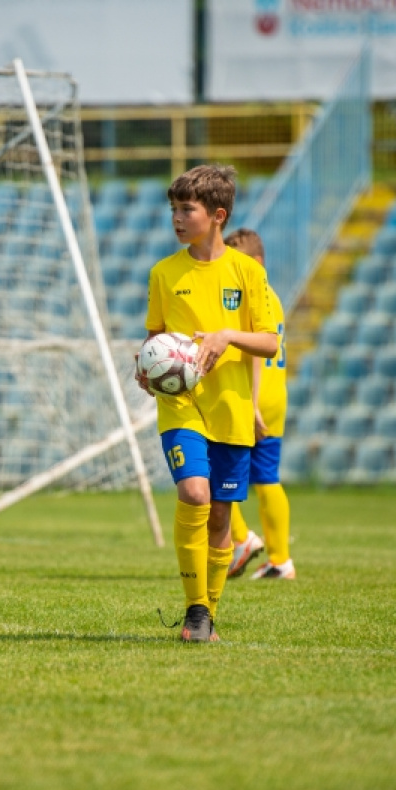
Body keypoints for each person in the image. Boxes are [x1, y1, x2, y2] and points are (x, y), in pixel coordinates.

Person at [137, 165, 278, 643]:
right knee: (195, 494)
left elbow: (268, 343)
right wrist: (146, 365)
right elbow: (155, 336)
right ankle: (195, 610)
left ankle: (207, 617)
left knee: (221, 514)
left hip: (232, 408)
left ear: (217, 216)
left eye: (186, 210)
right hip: (182, 406)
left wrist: (226, 336)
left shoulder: (246, 272)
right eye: (173, 209)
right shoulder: (164, 273)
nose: (177, 218)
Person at [223, 228, 295, 581]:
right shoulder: (274, 297)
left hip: (254, 393)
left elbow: (252, 351)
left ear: (257, 262)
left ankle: (241, 538)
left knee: (208, 467)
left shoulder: (249, 294)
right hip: (275, 392)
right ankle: (280, 559)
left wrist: (250, 404)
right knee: (267, 476)